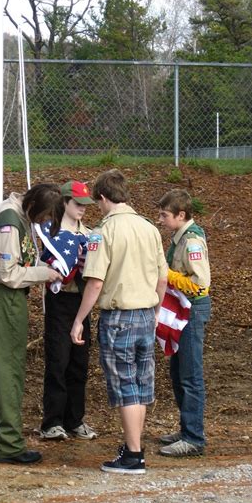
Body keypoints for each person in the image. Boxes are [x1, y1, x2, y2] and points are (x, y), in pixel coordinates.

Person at [70, 169, 168, 474]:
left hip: (119, 317)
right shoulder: (149, 228)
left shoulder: (103, 231)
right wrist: (155, 312)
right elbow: (163, 277)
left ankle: (134, 455)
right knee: (140, 384)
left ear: (102, 197)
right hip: (145, 313)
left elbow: (96, 282)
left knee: (126, 385)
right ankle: (133, 447)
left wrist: (79, 320)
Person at [0, 183, 63, 465]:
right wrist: (44, 273)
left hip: (0, 297)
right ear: (35, 206)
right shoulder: (11, 222)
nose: (44, 222)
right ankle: (9, 444)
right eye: (45, 216)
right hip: (4, 298)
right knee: (9, 372)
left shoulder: (17, 213)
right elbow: (7, 273)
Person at [37, 180, 98, 441]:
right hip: (60, 300)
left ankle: (75, 419)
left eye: (86, 204)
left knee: (79, 362)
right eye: (77, 204)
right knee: (58, 359)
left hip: (83, 302)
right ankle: (52, 421)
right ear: (64, 202)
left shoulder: (90, 233)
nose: (83, 209)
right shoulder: (50, 233)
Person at [157, 188, 211, 457]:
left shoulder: (191, 242)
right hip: (181, 309)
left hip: (191, 310)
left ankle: (194, 437)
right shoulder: (179, 238)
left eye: (164, 215)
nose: (161, 220)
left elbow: (200, 284)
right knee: (178, 372)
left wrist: (168, 276)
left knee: (190, 375)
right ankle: (186, 428)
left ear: (181, 215)